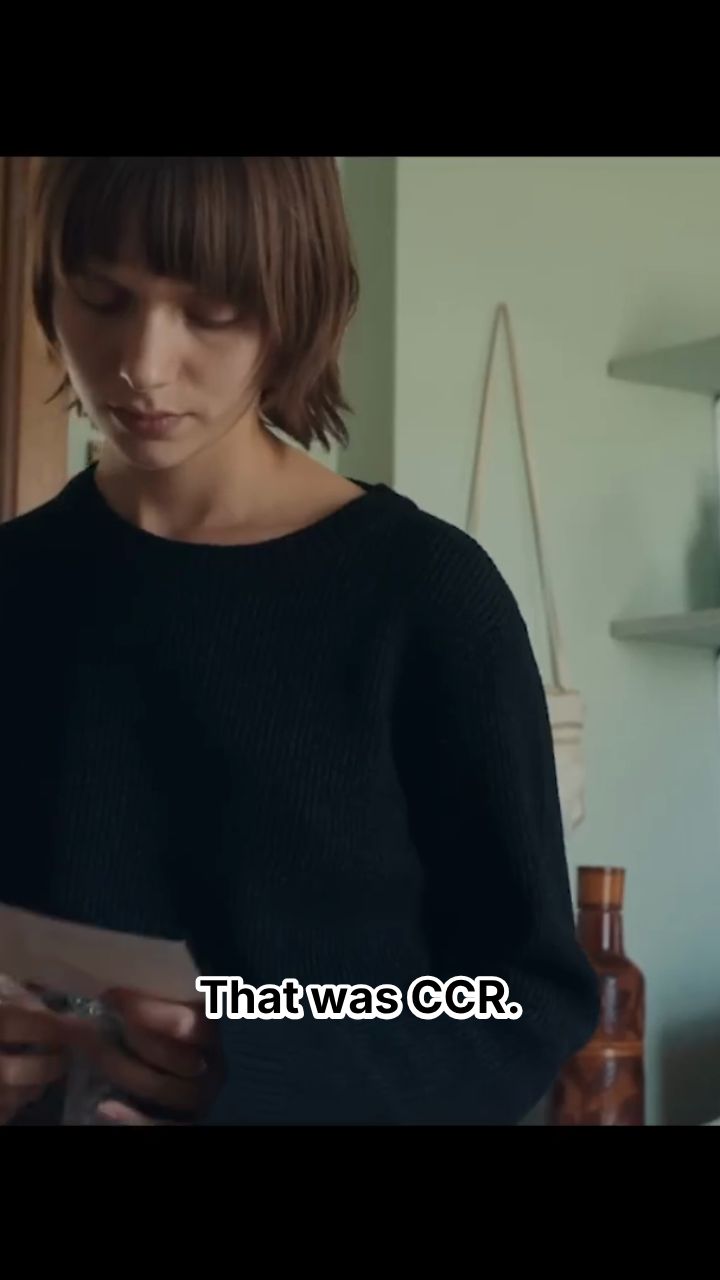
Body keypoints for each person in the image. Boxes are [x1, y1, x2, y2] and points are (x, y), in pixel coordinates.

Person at [0, 156, 599, 1127]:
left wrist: (253, 1045)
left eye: (212, 311)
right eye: (102, 298)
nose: (144, 363)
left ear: (296, 305)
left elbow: (522, 999)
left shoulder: (426, 598)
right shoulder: (17, 585)